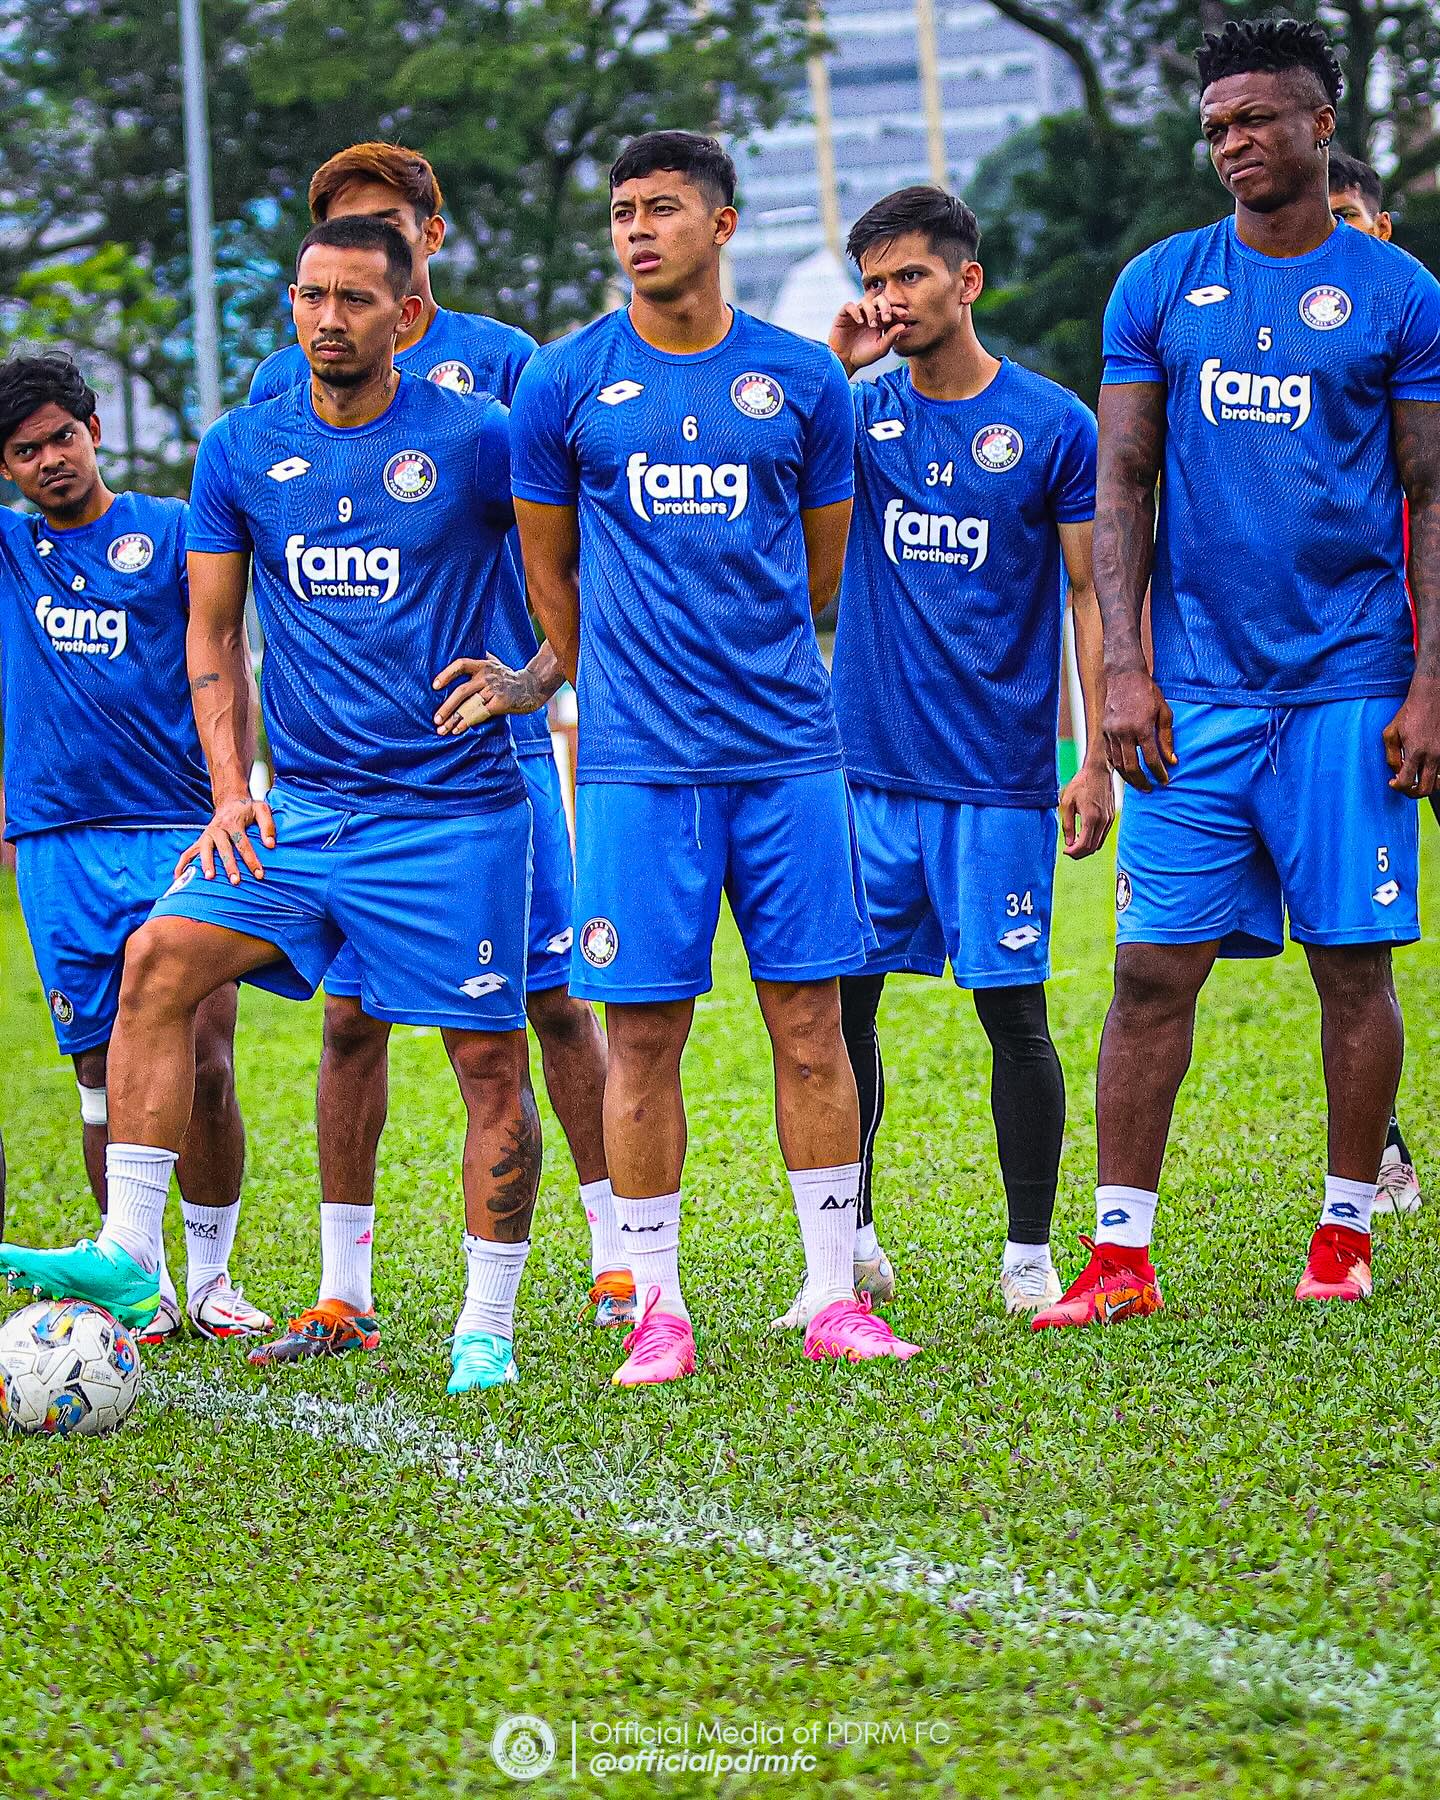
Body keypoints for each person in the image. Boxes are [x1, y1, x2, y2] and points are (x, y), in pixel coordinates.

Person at [0, 219, 545, 1394]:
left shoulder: (478, 436)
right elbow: (210, 634)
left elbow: (582, 544)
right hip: (301, 814)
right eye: (310, 296)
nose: (327, 319)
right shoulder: (242, 448)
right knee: (158, 963)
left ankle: (486, 1328)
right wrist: (229, 792)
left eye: (354, 299)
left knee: (488, 1063)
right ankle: (131, 1256)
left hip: (450, 816)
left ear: (406, 315)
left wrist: (537, 676)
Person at [1035, 17, 1440, 1330]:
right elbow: (1122, 482)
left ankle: (1343, 1229)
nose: (1233, 143)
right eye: (1216, 126)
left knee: (1352, 966)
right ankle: (1120, 1258)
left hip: (1350, 683)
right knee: (1150, 971)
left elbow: (1432, 495)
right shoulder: (1160, 283)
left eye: (1257, 118)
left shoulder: (1400, 295)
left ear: (1322, 124)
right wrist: (1124, 670)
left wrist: (1431, 685)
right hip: (1194, 693)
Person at [511, 129, 922, 1383]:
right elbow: (548, 570)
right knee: (642, 1036)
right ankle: (659, 1309)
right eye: (623, 211)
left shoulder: (802, 380)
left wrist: (742, 656)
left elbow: (821, 569)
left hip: (787, 754)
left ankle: (832, 1295)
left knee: (812, 1025)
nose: (637, 230)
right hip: (637, 767)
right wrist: (619, 678)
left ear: (723, 223)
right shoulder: (565, 381)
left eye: (663, 208)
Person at [247, 141, 627, 1343]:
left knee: (551, 1000)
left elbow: (569, 532)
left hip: (488, 757)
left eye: (388, 230)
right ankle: (343, 1289)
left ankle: (618, 1256)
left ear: (429, 241)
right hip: (345, 779)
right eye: (337, 241)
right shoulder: (280, 382)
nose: (349, 283)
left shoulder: (500, 362)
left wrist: (535, 677)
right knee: (346, 1018)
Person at [811, 184, 1113, 1323]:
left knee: (1013, 1015)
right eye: (875, 281)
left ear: (966, 281)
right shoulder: (858, 413)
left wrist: (1095, 755)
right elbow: (766, 457)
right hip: (867, 772)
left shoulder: (1051, 422)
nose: (889, 299)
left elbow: (1088, 593)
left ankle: (1028, 1254)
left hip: (996, 779)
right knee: (843, 1012)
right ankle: (854, 1245)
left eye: (910, 276)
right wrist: (832, 369)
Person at [0, 351, 270, 1344]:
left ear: (95, 431)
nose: (50, 460)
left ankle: (212, 1277)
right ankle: (137, 1281)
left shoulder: (172, 530)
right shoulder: (11, 550)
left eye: (62, 437)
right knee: (99, 1077)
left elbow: (227, 657)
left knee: (205, 1059)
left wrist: (239, 789)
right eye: (25, 451)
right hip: (58, 843)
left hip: (180, 830)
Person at [1327, 145, 1429, 1216]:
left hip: (1429, 666)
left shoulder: (1416, 333)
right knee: (1356, 936)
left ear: (1381, 227)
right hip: (1357, 679)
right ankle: (1383, 1147)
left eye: (1350, 217)